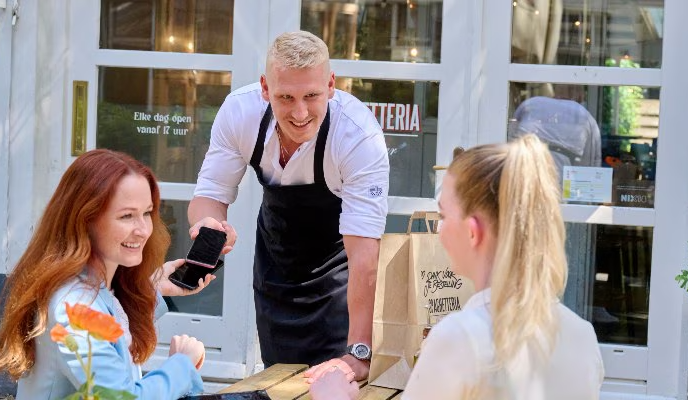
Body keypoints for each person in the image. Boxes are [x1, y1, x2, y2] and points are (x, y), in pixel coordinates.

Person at [309, 135, 604, 399]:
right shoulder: (582, 336)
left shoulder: (460, 338)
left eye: (444, 215)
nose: (438, 230)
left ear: (473, 232)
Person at [188, 30, 389, 380]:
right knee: (277, 379)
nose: (299, 113)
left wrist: (359, 353)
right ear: (265, 88)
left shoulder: (358, 136)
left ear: (330, 84)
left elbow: (365, 257)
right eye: (285, 97)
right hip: (275, 265)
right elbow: (211, 193)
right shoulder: (241, 113)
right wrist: (209, 229)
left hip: (340, 276)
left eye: (311, 95)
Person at [0, 149, 216, 399]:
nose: (144, 230)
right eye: (127, 216)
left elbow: (112, 323)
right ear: (85, 219)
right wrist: (181, 365)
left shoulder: (96, 286)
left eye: (146, 212)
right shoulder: (75, 307)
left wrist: (153, 289)